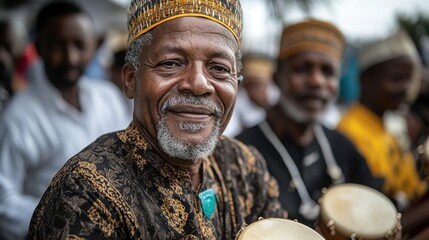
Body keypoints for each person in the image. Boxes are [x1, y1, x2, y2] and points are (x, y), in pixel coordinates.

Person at [27, 0, 286, 239]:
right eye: (171, 63)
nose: (198, 84)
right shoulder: (87, 191)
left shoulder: (245, 167)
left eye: (218, 68)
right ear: (130, 80)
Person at [0, 2, 130, 239]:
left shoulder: (108, 98)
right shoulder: (17, 118)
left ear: (94, 47)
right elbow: (3, 203)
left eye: (80, 45)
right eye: (58, 46)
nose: (70, 57)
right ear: (39, 48)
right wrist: (67, 218)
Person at [237, 19, 383, 227]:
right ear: (277, 76)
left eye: (328, 72)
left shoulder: (342, 147)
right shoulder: (242, 155)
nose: (316, 81)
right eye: (302, 69)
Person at [336, 30, 428, 238]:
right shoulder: (350, 133)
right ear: (364, 79)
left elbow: (411, 193)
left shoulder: (389, 125)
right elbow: (371, 224)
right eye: (396, 78)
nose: (405, 88)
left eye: (409, 79)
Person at [224, 53, 279, 136]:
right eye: (255, 85)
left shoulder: (276, 102)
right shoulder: (234, 108)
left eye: (264, 85)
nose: (261, 91)